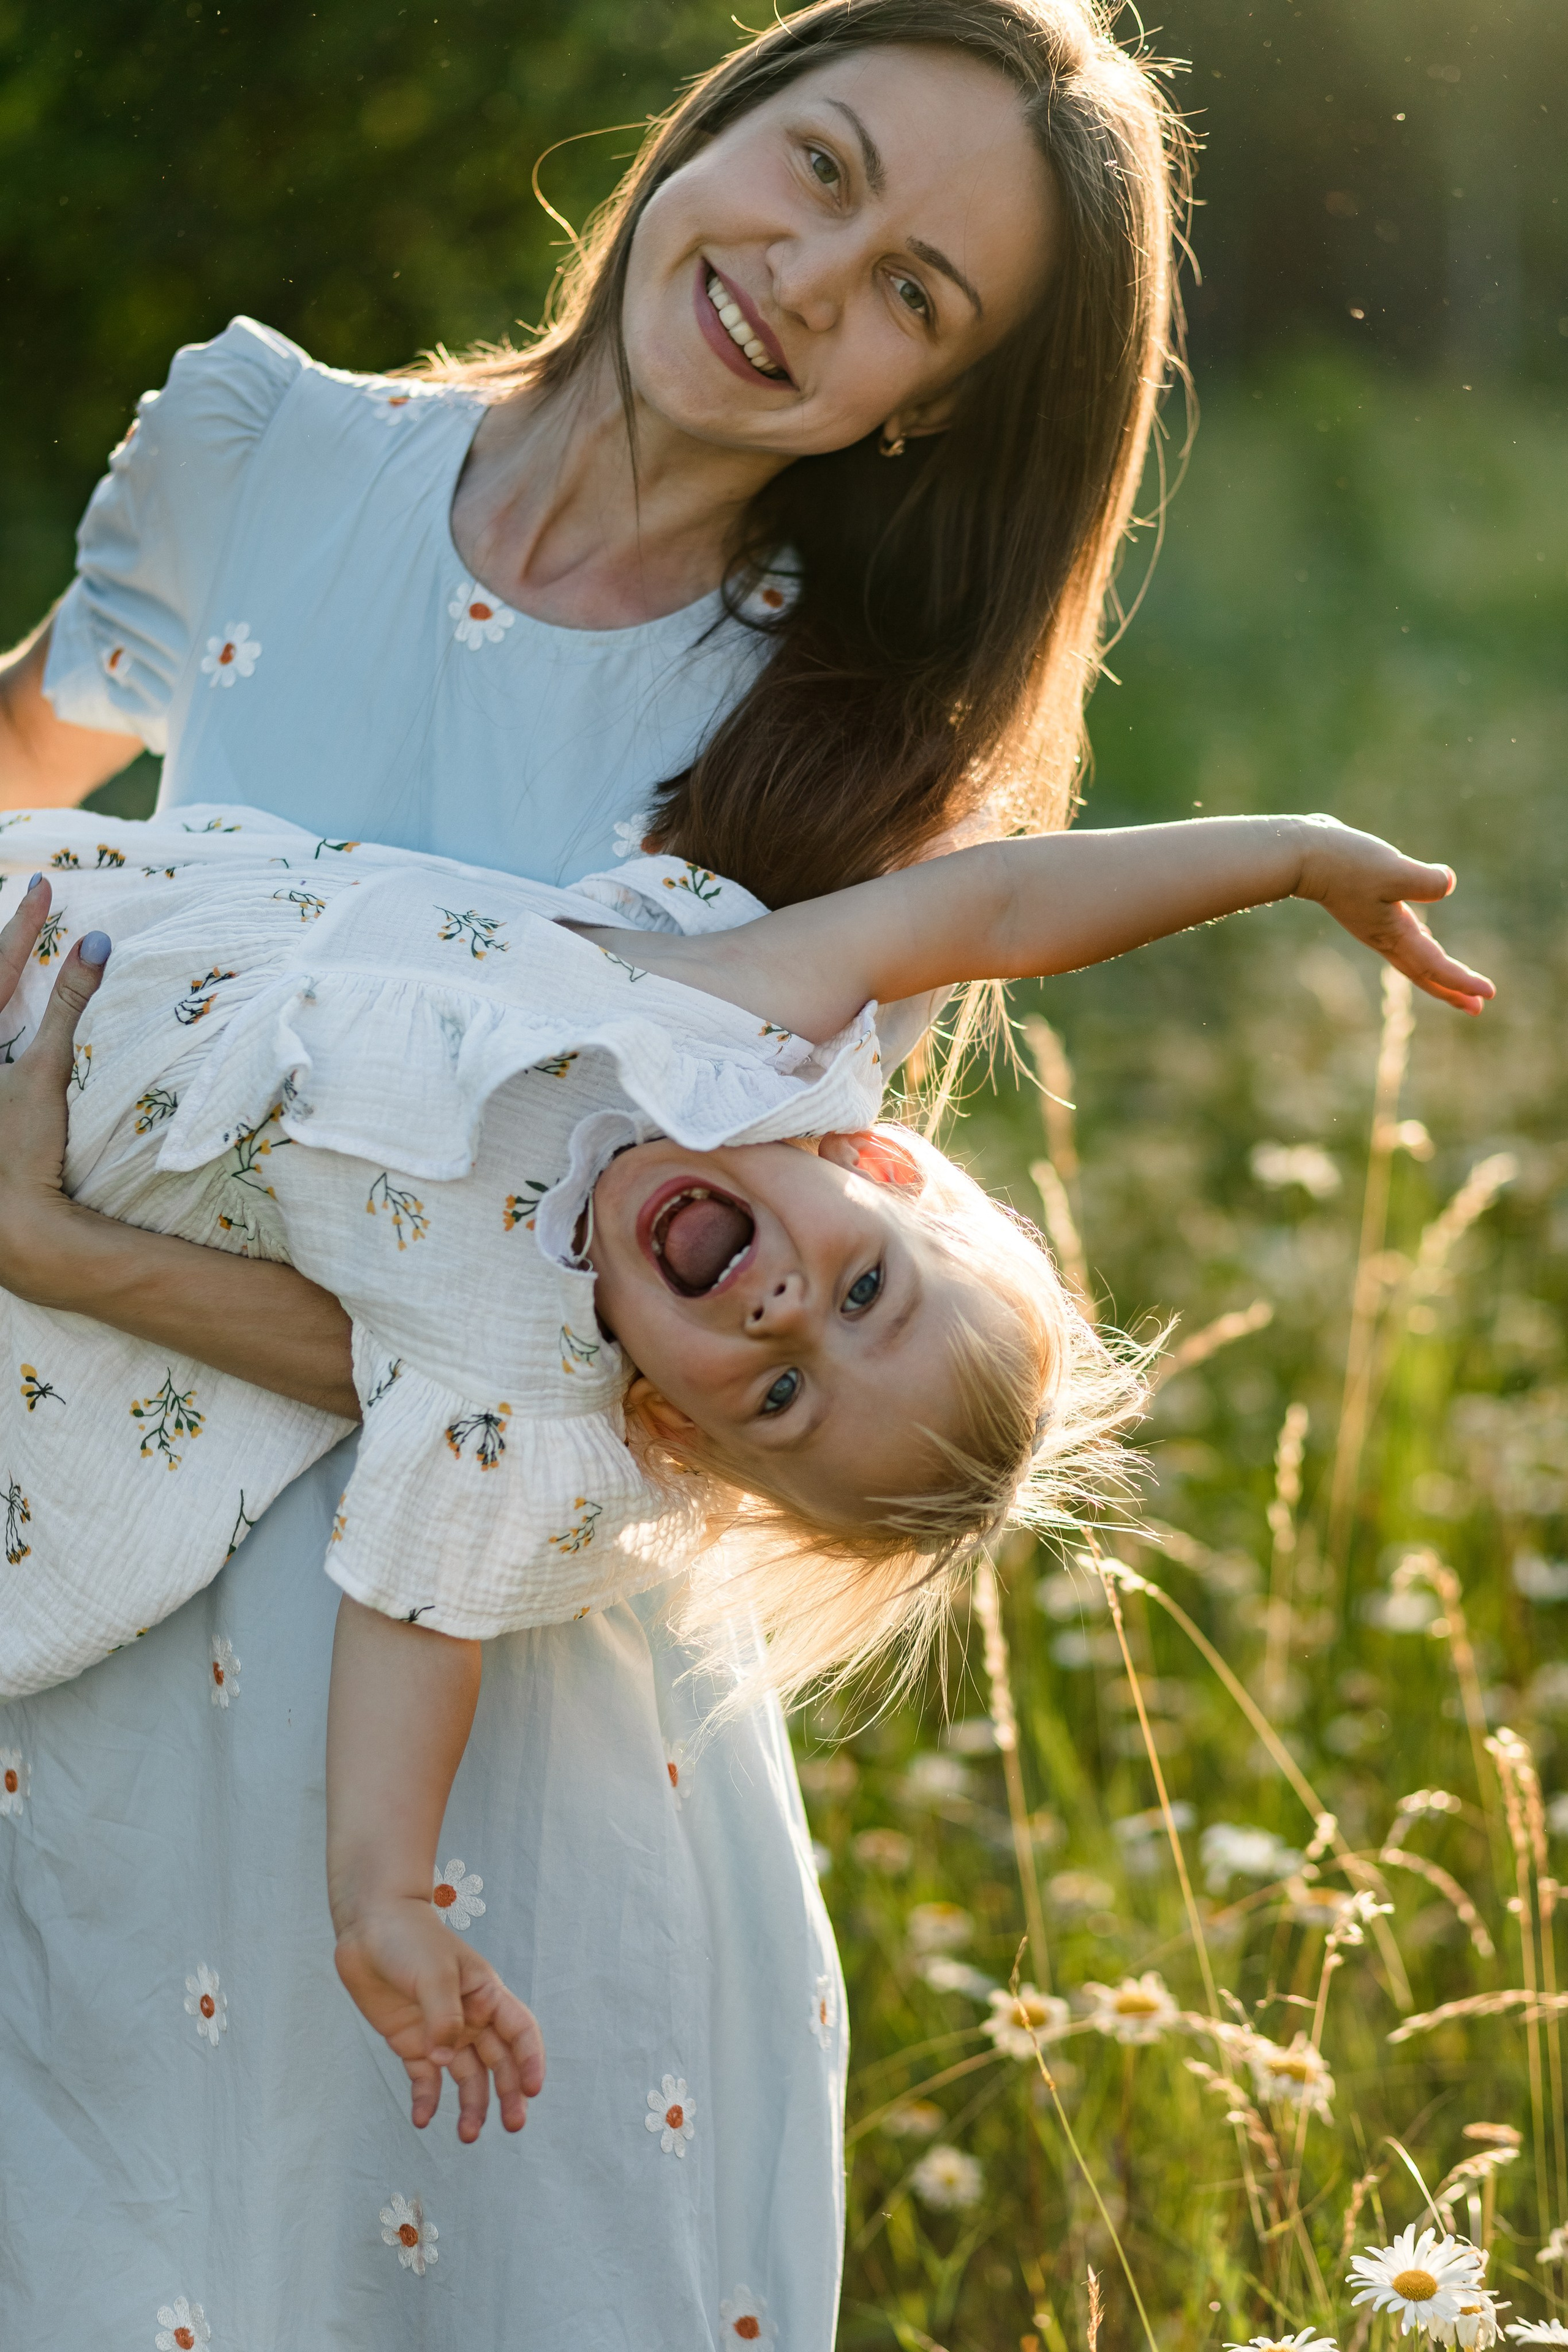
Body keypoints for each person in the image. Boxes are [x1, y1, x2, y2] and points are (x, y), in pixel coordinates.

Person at [0, 1, 1189, 2339]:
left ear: (924, 402)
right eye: (823, 169)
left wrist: (56, 1242)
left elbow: (607, 1379)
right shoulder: (265, 454)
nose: (810, 280)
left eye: (915, 298)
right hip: (98, 1659)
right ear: (722, 118)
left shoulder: (859, 764)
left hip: (504, 1793)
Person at [1, 793, 1491, 2161]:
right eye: (864, 1294)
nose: (784, 1318)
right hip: (76, 903)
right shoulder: (731, 1027)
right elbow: (1000, 913)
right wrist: (1286, 856)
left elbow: (416, 1631)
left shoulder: (511, 1396)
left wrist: (381, 1898)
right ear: (872, 1167)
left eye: (780, 1399)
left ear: (676, 1433)